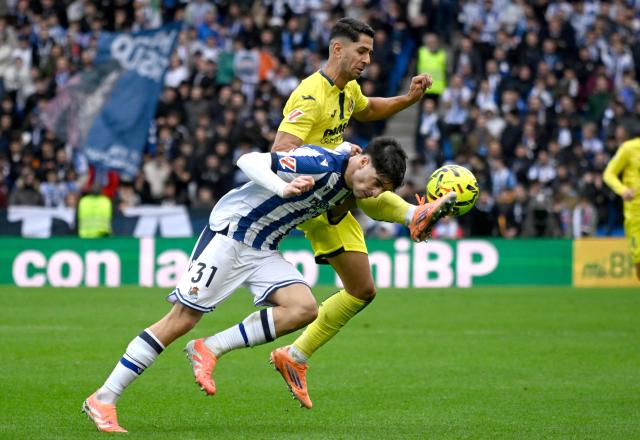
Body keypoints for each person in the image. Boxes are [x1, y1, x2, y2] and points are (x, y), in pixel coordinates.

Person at [81, 137, 458, 432]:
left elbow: (385, 202)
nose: (373, 192)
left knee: (304, 308)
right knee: (179, 320)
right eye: (374, 182)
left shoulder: (351, 175)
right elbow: (248, 160)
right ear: (362, 163)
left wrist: (419, 211)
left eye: (381, 188)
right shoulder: (320, 163)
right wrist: (281, 187)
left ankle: (209, 348)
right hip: (231, 235)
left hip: (262, 247)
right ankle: (104, 397)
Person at [269, 17, 444, 409]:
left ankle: (294, 357)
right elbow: (279, 153)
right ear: (337, 49)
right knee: (361, 176)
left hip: (332, 191)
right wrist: (324, 166)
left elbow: (367, 111)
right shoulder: (310, 96)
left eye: (370, 52)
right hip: (310, 197)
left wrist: (407, 100)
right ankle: (409, 216)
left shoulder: (347, 90)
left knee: (362, 290)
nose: (367, 59)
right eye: (361, 51)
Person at [603, 137, 640, 280]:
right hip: (635, 214)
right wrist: (622, 190)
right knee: (638, 261)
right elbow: (608, 173)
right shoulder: (629, 148)